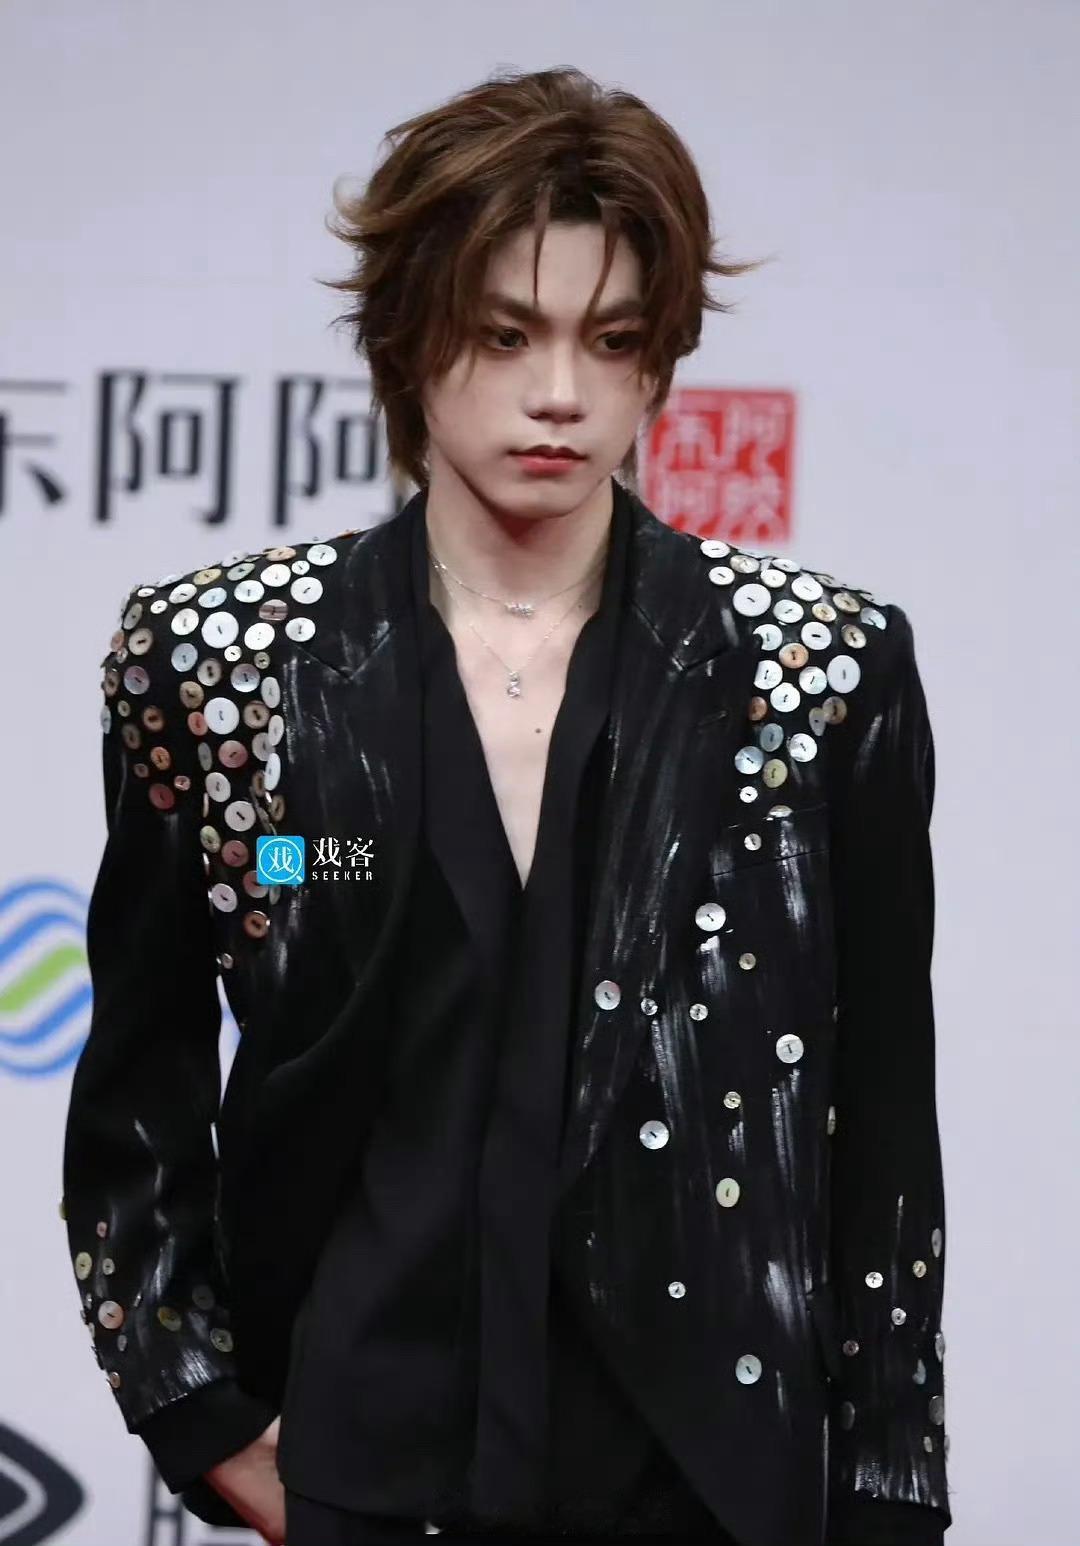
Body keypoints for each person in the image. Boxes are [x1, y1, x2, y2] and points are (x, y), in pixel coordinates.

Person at [61, 65, 952, 1546]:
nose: (562, 394)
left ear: (659, 363)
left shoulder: (817, 671)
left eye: (614, 340)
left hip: (711, 1479)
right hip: (364, 1456)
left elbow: (886, 1115)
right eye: (505, 333)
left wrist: (890, 1481)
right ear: (410, 336)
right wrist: (194, 1404)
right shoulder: (222, 665)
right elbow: (135, 1072)